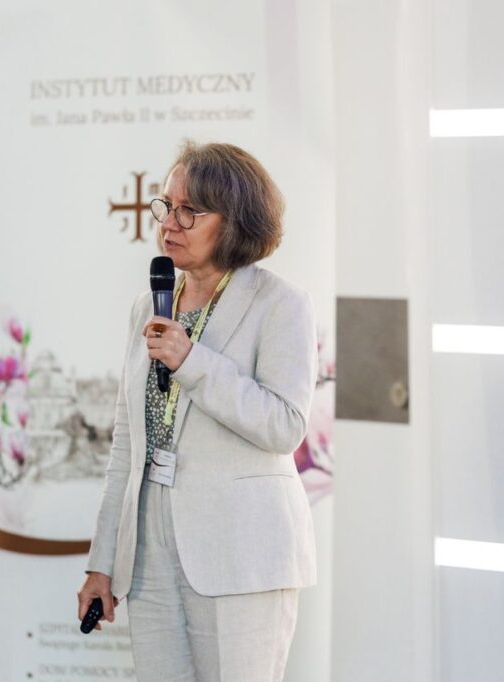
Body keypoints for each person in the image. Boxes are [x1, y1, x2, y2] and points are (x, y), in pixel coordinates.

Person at [78, 141, 318, 681]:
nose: (170, 223)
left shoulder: (281, 304)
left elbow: (284, 426)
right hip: (150, 553)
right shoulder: (148, 305)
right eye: (167, 206)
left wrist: (192, 361)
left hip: (242, 554)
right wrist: (103, 562)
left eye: (190, 211)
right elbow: (126, 444)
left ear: (234, 221)